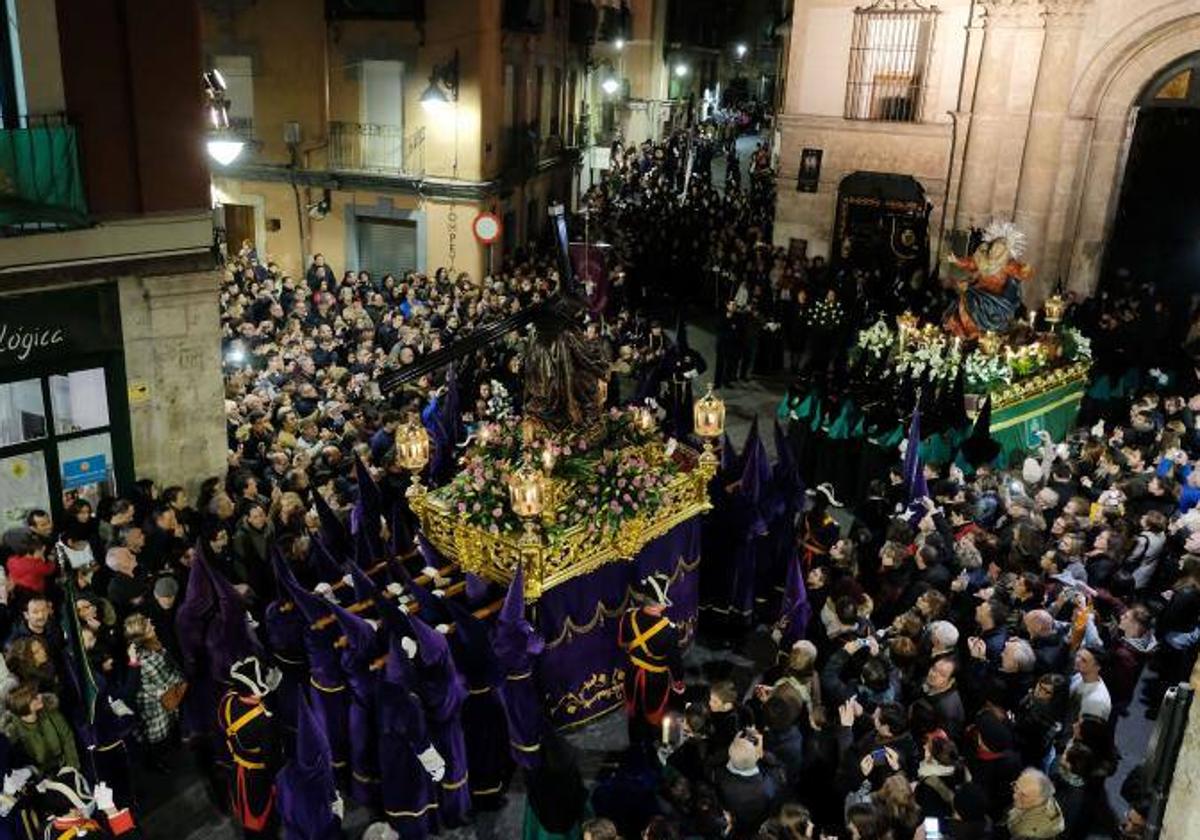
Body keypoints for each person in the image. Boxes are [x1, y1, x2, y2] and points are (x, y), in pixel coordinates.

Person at [617, 574, 684, 745]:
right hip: (656, 679)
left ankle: (634, 741)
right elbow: (674, 661)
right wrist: (678, 681)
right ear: (661, 604)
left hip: (633, 672)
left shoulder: (628, 616)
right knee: (654, 713)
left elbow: (623, 642)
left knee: (634, 710)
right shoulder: (669, 630)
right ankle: (651, 741)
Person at [1007, 769, 1065, 840]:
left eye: (1024, 795)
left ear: (1039, 799)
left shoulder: (1031, 834)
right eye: (1016, 786)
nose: (1015, 796)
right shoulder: (1042, 797)